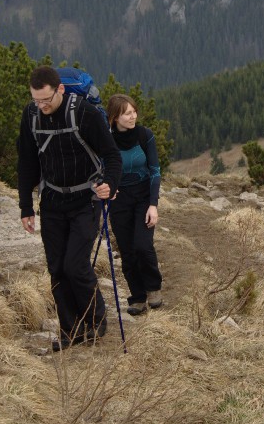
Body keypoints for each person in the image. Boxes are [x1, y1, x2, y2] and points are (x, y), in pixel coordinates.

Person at [17, 65, 122, 351]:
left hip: (85, 201)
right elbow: (26, 161)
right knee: (56, 269)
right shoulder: (31, 116)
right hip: (51, 201)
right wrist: (26, 206)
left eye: (46, 100)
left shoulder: (84, 113)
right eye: (36, 100)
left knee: (75, 265)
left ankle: (96, 321)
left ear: (60, 90)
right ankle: (70, 330)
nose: (41, 106)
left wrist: (109, 184)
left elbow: (111, 155)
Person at [106, 93, 163, 315]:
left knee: (142, 245)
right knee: (127, 251)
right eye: (127, 113)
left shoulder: (144, 135)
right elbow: (100, 168)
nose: (133, 116)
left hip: (142, 195)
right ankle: (137, 297)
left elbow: (155, 170)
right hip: (118, 200)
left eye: (134, 111)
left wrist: (153, 204)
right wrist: (106, 186)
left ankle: (153, 288)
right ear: (115, 118)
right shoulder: (106, 140)